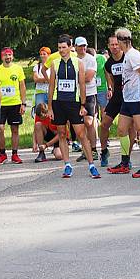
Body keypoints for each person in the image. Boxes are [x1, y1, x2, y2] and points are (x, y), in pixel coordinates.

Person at [47, 35, 100, 179]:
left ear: (71, 47)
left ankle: (91, 165)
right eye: (59, 48)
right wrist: (50, 107)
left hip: (74, 103)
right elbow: (51, 85)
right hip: (59, 103)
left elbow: (82, 85)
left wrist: (83, 104)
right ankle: (67, 165)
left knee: (81, 134)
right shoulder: (55, 63)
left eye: (64, 47)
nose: (61, 50)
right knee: (62, 133)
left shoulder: (78, 63)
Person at [107, 28, 140, 177]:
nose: (116, 45)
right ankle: (125, 163)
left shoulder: (132, 55)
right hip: (127, 99)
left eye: (117, 42)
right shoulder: (128, 55)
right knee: (121, 129)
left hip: (135, 99)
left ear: (121, 41)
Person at [0, 47, 26, 165]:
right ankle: (2, 154)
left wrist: (23, 103)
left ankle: (15, 154)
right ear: (1, 57)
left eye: (9, 55)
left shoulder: (18, 69)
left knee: (15, 130)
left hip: (15, 103)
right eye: (5, 55)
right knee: (0, 129)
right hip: (1, 105)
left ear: (12, 56)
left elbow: (22, 86)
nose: (8, 57)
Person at [99, 36, 124, 167]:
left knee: (127, 127)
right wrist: (112, 91)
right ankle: (104, 151)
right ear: (108, 46)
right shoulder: (108, 63)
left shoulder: (127, 57)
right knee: (104, 124)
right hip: (117, 96)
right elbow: (112, 81)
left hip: (129, 96)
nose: (114, 47)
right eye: (112, 45)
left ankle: (127, 158)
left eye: (116, 44)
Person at [74, 37, 99, 162]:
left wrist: (76, 77)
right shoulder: (72, 59)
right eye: (80, 46)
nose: (83, 48)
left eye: (84, 46)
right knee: (80, 124)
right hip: (75, 95)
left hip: (89, 93)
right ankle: (85, 150)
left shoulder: (91, 59)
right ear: (75, 47)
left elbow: (89, 77)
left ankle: (93, 149)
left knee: (89, 122)